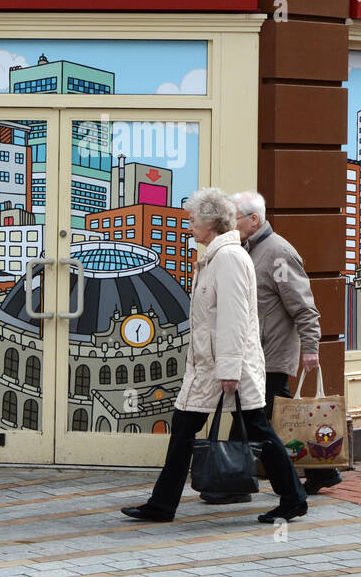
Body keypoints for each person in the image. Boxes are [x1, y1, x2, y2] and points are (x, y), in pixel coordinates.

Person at [121, 188, 308, 524]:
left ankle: (293, 497)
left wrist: (230, 370)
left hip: (226, 368)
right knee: (187, 428)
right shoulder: (216, 257)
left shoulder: (229, 259)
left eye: (193, 219)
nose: (189, 224)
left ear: (211, 222)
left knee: (258, 430)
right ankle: (162, 504)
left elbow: (235, 319)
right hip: (211, 367)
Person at [199, 190, 341, 502]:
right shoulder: (248, 249)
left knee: (253, 418)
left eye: (234, 217)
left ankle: (236, 484)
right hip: (257, 354)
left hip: (272, 356)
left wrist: (311, 348)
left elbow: (304, 307)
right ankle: (319, 472)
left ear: (254, 219)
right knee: (264, 420)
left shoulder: (279, 253)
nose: (230, 223)